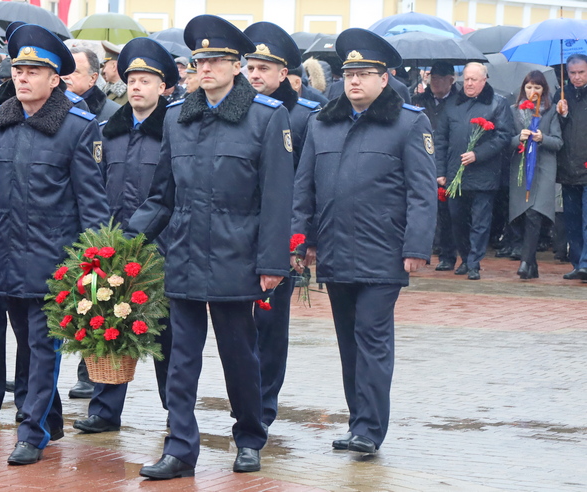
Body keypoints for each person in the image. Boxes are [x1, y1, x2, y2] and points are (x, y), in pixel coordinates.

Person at [132, 15, 294, 479]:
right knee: (180, 360)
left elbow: (277, 198)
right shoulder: (177, 117)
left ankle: (249, 437)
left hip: (235, 256)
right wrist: (124, 243)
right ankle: (180, 448)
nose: (205, 68)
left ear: (237, 66)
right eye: (199, 61)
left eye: (216, 60)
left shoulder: (266, 117)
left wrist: (272, 262)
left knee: (239, 356)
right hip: (183, 255)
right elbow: (162, 196)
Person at [0, 24, 109, 466]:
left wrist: (95, 263)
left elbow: (92, 203)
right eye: (18, 70)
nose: (22, 78)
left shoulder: (77, 127)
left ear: (54, 78)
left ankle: (31, 431)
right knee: (27, 344)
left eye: (33, 71)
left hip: (56, 262)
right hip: (5, 255)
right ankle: (50, 417)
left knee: (44, 348)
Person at [292, 28, 436, 455]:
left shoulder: (408, 122)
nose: (354, 81)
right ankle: (358, 421)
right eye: (349, 74)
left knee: (372, 339)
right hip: (335, 249)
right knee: (349, 342)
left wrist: (415, 247)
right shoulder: (323, 123)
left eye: (364, 74)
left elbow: (422, 192)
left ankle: (370, 430)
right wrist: (303, 240)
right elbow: (305, 188)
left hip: (382, 251)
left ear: (384, 78)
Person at [71, 38, 179, 435]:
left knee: (167, 335)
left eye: (146, 80)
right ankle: (104, 410)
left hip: (161, 249)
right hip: (113, 247)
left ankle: (175, 411)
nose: (136, 87)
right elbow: (92, 188)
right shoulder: (107, 132)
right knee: (109, 326)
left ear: (163, 87)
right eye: (132, 79)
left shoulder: (174, 133)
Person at [243, 20, 319, 432]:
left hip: (281, 236)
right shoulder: (237, 109)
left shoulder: (304, 117)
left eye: (264, 68)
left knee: (271, 325)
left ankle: (264, 404)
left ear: (283, 73)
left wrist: (302, 240)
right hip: (238, 233)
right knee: (238, 324)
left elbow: (309, 183)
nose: (255, 75)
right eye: (251, 67)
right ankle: (245, 399)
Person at [435, 62, 512, 280]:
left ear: (484, 80)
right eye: (466, 79)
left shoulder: (497, 103)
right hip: (454, 173)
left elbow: (503, 136)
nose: (468, 84)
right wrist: (440, 171)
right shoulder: (452, 103)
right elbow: (441, 139)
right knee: (457, 219)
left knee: (480, 221)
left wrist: (478, 154)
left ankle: (474, 263)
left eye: (474, 80)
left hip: (484, 174)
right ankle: (466, 257)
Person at [508, 71, 563, 279]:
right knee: (522, 214)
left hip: (543, 170)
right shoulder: (514, 111)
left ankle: (524, 261)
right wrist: (518, 138)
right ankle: (532, 265)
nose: (533, 91)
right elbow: (506, 141)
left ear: (543, 90)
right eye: (529, 87)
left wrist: (543, 138)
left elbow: (558, 142)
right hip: (521, 169)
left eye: (537, 88)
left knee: (535, 213)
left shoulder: (550, 111)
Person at [411, 61, 458, 272]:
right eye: (433, 78)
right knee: (421, 208)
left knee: (447, 214)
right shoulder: (418, 100)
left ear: (451, 80)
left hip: (446, 161)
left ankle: (447, 253)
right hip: (420, 159)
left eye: (440, 78)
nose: (435, 82)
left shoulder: (457, 102)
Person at [555, 53, 587, 281]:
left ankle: (585, 263)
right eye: (572, 73)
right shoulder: (561, 95)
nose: (577, 77)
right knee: (572, 221)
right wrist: (562, 115)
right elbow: (555, 131)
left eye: (581, 72)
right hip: (568, 168)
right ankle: (577, 262)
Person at [64, 46, 120, 123]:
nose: (65, 76)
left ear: (93, 78)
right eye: (64, 70)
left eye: (74, 72)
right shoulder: (50, 105)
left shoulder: (113, 113)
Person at [101, 40, 128, 105]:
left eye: (105, 66)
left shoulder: (129, 94)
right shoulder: (107, 89)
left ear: (114, 66)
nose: (104, 71)